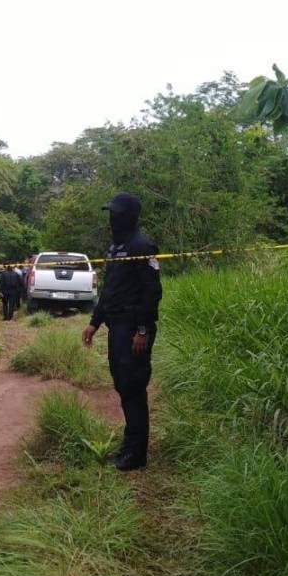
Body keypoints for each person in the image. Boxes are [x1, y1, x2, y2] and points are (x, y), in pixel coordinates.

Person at [81, 192, 162, 471]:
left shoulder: (142, 246)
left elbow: (152, 292)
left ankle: (136, 454)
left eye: (117, 213)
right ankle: (130, 445)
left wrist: (142, 329)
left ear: (129, 215)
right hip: (116, 327)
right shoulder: (116, 248)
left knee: (133, 387)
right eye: (110, 213)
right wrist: (95, 321)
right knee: (122, 385)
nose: (112, 218)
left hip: (134, 328)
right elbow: (109, 291)